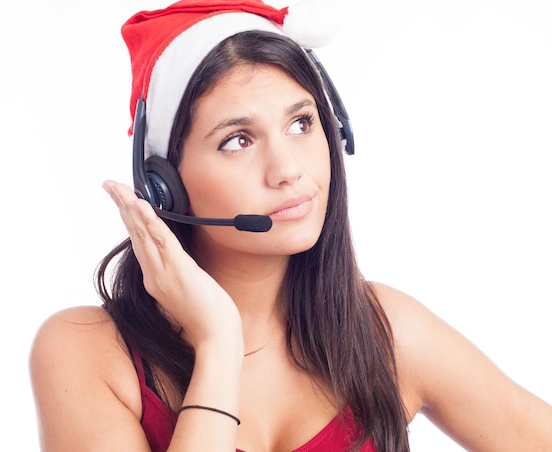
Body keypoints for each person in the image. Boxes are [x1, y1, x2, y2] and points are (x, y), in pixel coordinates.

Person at [29, 1, 552, 451]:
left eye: (302, 124)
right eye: (238, 139)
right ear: (164, 181)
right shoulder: (84, 352)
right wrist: (218, 341)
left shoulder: (386, 332)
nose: (289, 170)